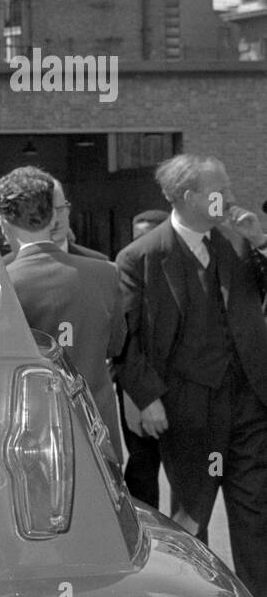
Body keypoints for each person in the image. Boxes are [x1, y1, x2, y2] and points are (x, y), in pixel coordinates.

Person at [116, 155, 267, 597]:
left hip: (248, 403)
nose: (230, 196)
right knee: (190, 518)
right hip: (185, 407)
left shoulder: (238, 246)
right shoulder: (140, 258)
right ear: (188, 196)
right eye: (219, 189)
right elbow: (126, 340)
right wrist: (147, 398)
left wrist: (261, 241)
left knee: (257, 514)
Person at [0, 166, 124, 459]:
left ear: (3, 222)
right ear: (54, 216)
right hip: (97, 426)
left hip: (32, 433)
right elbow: (116, 345)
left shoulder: (0, 284)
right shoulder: (106, 273)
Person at [114, 208, 169, 506]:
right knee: (142, 468)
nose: (140, 246)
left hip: (185, 393)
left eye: (148, 238)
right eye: (137, 239)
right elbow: (123, 339)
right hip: (137, 388)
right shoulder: (126, 273)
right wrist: (142, 396)